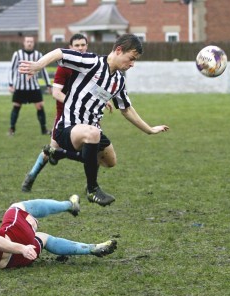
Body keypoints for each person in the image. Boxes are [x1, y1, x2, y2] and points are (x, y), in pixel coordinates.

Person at [18, 34, 169, 206]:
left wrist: (149, 129)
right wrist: (38, 65)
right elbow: (60, 52)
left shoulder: (118, 81)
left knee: (110, 162)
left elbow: (126, 108)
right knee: (93, 133)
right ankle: (92, 189)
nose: (132, 64)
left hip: (91, 130)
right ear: (119, 50)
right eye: (131, 59)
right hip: (68, 127)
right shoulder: (92, 62)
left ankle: (59, 153)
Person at [21, 34, 116, 193]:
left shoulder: (89, 65)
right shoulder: (64, 67)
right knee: (51, 148)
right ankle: (31, 176)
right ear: (70, 47)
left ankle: (91, 184)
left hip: (88, 116)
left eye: (83, 45)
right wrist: (78, 105)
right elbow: (56, 93)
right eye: (76, 45)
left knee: (94, 146)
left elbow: (92, 88)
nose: (80, 48)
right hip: (66, 115)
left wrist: (104, 99)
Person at [8, 36, 52, 136]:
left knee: (40, 106)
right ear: (24, 43)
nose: (29, 43)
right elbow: (12, 69)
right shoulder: (17, 54)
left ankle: (44, 129)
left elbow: (43, 70)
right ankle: (12, 128)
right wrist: (11, 84)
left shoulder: (38, 55)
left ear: (33, 43)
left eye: (31, 41)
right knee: (16, 106)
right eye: (27, 41)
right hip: (20, 87)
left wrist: (48, 85)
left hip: (34, 87)